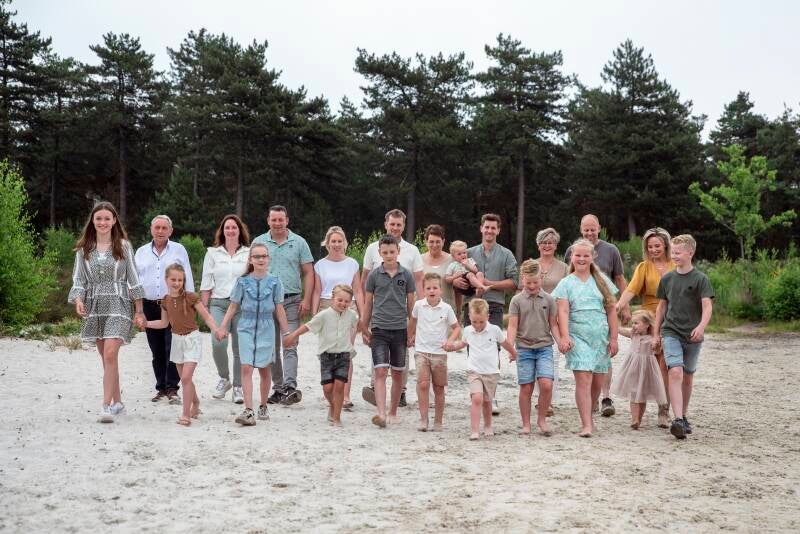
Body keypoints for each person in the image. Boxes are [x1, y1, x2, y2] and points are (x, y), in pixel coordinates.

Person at [68, 201, 146, 423]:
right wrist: (78, 300)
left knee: (110, 354)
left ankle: (105, 406)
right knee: (107, 358)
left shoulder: (123, 246)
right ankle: (118, 402)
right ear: (93, 221)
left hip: (119, 304)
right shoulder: (83, 249)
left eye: (107, 219)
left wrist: (139, 311)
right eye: (99, 218)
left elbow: (134, 278)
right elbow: (79, 280)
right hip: (94, 306)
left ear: (114, 221)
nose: (103, 222)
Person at [452, 213, 519, 415]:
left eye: (493, 227)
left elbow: (514, 282)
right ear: (481, 228)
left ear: (498, 230)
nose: (489, 230)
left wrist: (489, 283)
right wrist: (456, 281)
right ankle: (477, 393)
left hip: (494, 305)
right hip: (471, 305)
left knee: (493, 349)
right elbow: (454, 274)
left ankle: (491, 396)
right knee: (472, 348)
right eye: (486, 227)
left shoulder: (506, 254)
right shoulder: (468, 252)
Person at [217, 243, 291, 426]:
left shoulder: (275, 282)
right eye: (256, 256)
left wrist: (286, 333)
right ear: (250, 259)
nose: (260, 259)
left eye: (264, 256)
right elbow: (233, 306)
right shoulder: (242, 282)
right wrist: (222, 327)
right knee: (246, 367)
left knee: (265, 369)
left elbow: (279, 309)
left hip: (267, 327)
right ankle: (248, 410)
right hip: (246, 326)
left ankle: (263, 405)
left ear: (268, 259)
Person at [553, 238, 619, 437]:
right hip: (577, 337)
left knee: (597, 382)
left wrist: (614, 338)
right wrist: (564, 337)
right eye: (577, 255)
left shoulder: (602, 281)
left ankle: (589, 413)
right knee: (584, 379)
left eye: (585, 255)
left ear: (592, 257)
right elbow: (563, 312)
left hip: (600, 338)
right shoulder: (566, 283)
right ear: (571, 257)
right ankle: (586, 424)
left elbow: (611, 310)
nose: (581, 259)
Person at [564, 214, 629, 417]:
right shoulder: (572, 250)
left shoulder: (611, 250)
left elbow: (620, 278)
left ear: (599, 228)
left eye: (593, 229)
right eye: (586, 230)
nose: (590, 233)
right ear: (581, 229)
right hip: (580, 313)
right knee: (584, 362)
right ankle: (590, 400)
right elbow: (569, 276)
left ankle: (605, 397)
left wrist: (625, 306)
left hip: (604, 309)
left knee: (605, 354)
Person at [143, 263, 221, 426]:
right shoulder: (165, 300)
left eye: (180, 280)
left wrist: (216, 330)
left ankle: (185, 415)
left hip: (192, 339)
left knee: (185, 378)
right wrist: (146, 323)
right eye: (173, 279)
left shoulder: (191, 297)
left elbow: (206, 316)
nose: (177, 283)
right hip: (176, 341)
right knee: (186, 379)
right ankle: (196, 403)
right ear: (166, 280)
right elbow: (164, 323)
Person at [653, 234, 714, 440]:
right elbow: (661, 308)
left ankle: (684, 415)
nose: (674, 256)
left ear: (690, 253)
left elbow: (707, 306)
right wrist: (656, 333)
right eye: (673, 252)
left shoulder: (701, 279)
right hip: (671, 332)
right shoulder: (667, 279)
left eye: (678, 252)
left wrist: (701, 327)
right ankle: (677, 419)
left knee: (687, 376)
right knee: (675, 371)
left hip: (693, 335)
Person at [361, 209, 424, 408]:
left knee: (402, 355)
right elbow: (365, 280)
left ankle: (401, 391)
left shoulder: (412, 250)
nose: (395, 227)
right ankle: (375, 387)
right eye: (392, 224)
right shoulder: (372, 248)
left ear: (403, 226)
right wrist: (364, 320)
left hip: (402, 312)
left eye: (399, 224)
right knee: (377, 351)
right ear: (386, 224)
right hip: (379, 311)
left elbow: (418, 281)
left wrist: (418, 312)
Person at [252, 205, 314, 406]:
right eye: (274, 220)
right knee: (271, 347)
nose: (277, 223)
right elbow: (251, 271)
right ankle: (278, 389)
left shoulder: (299, 242)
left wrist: (306, 299)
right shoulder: (259, 242)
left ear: (287, 220)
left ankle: (290, 387)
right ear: (268, 221)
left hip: (291, 300)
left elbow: (309, 272)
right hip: (266, 302)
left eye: (281, 219)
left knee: (290, 343)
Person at [615, 227, 675, 427]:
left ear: (666, 245)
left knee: (664, 366)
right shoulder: (644, 267)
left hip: (671, 319)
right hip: (649, 320)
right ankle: (638, 413)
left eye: (657, 246)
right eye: (650, 247)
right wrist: (619, 306)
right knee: (647, 366)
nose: (653, 250)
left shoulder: (675, 265)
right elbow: (631, 290)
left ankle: (663, 411)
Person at [134, 215, 194, 405]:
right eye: (157, 227)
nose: (160, 231)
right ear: (151, 229)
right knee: (156, 349)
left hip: (174, 303)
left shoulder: (179, 250)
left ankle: (172, 388)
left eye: (164, 228)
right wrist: (137, 309)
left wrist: (189, 303)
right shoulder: (141, 252)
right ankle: (160, 388)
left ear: (170, 231)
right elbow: (134, 281)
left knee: (173, 347)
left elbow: (187, 276)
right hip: (149, 304)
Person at [360, 235, 416, 428]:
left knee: (398, 373)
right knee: (380, 371)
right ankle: (381, 413)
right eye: (385, 252)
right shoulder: (374, 276)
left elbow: (412, 305)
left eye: (392, 251)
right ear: (380, 253)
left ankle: (393, 411)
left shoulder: (406, 275)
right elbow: (368, 303)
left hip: (400, 329)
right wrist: (364, 328)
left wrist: (412, 330)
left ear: (398, 251)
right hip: (379, 329)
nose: (389, 255)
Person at [284, 284, 360, 427]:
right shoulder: (324, 315)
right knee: (327, 389)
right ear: (332, 299)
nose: (343, 303)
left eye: (346, 301)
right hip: (326, 357)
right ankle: (333, 406)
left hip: (344, 355)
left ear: (350, 302)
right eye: (340, 300)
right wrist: (293, 336)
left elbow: (359, 324)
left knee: (339, 387)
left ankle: (337, 418)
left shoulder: (351, 315)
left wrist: (368, 335)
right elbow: (307, 326)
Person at [444, 299, 517, 440]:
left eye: (481, 322)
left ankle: (488, 425)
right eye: (474, 322)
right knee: (477, 398)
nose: (477, 325)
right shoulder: (467, 331)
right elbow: (462, 344)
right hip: (474, 371)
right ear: (469, 317)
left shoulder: (495, 330)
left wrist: (514, 353)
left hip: (491, 372)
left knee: (488, 401)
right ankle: (475, 430)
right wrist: (451, 347)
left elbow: (505, 343)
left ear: (488, 317)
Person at [506, 260, 562, 436]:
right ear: (522, 279)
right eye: (528, 282)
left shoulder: (549, 299)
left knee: (546, 384)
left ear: (541, 278)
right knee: (526, 387)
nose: (531, 286)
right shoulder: (516, 300)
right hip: (524, 349)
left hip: (545, 347)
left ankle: (541, 419)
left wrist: (560, 341)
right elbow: (512, 326)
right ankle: (526, 424)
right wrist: (510, 347)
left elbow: (553, 324)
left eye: (535, 282)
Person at [200, 214, 251, 404]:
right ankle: (224, 378)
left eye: (234, 227)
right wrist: (205, 309)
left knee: (239, 347)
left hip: (242, 305)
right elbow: (206, 282)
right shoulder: (212, 253)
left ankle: (238, 386)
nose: (230, 230)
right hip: (219, 304)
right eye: (227, 227)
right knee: (218, 343)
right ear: (222, 231)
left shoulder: (248, 252)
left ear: (239, 230)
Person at [312, 226, 364, 410]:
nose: (336, 244)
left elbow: (358, 290)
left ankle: (345, 395)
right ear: (327, 243)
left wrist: (362, 314)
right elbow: (317, 291)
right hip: (327, 305)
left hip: (349, 306)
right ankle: (332, 391)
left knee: (346, 352)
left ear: (344, 243)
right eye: (333, 241)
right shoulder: (320, 265)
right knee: (329, 351)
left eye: (339, 241)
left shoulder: (352, 264)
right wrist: (314, 313)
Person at [407, 273, 461, 432]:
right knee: (423, 384)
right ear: (423, 290)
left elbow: (456, 328)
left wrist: (450, 341)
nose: (432, 290)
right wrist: (409, 337)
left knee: (439, 388)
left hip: (439, 353)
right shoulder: (418, 305)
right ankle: (424, 419)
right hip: (421, 351)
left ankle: (438, 421)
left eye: (435, 287)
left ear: (441, 290)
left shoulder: (447, 308)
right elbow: (412, 322)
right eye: (428, 288)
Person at [532, 227, 569, 417]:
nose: (547, 245)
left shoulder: (564, 268)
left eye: (551, 242)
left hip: (555, 318)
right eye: (544, 242)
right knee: (535, 358)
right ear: (538, 245)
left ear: (556, 245)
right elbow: (521, 290)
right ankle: (539, 398)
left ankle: (549, 401)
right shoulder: (531, 265)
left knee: (552, 359)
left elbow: (567, 294)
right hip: (533, 318)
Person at [610, 310, 667, 429]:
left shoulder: (653, 338)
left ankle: (639, 419)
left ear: (647, 325)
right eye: (633, 323)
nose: (633, 326)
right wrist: (613, 324)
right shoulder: (633, 334)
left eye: (636, 323)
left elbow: (658, 351)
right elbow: (621, 330)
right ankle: (634, 419)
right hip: (633, 368)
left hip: (646, 370)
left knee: (642, 395)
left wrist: (657, 344)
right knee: (634, 393)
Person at [445, 240, 491, 316]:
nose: (463, 255)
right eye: (459, 254)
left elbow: (476, 270)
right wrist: (454, 277)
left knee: (480, 273)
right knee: (469, 274)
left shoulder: (470, 260)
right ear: (453, 257)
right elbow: (447, 279)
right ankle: (482, 287)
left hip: (472, 282)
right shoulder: (453, 265)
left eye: (464, 253)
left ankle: (479, 288)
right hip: (463, 283)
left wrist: (468, 265)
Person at [420, 224, 455, 311]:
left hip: (447, 311)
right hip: (424, 311)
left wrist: (458, 311)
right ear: (426, 242)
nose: (434, 245)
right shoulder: (418, 260)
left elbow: (458, 290)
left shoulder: (452, 260)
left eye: (438, 241)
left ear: (443, 241)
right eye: (431, 242)